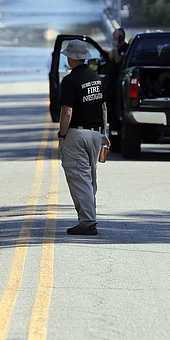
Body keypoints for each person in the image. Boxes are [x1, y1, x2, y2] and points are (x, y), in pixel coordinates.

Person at [56, 39, 109, 236]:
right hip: (95, 134)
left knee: (79, 178)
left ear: (71, 58)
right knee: (89, 179)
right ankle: (88, 217)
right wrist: (103, 133)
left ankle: (87, 222)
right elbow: (103, 107)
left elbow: (67, 112)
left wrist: (62, 134)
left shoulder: (70, 80)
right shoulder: (96, 78)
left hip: (76, 134)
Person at [104, 28, 128, 137]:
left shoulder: (125, 48)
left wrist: (115, 48)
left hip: (118, 82)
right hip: (111, 82)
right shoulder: (116, 48)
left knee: (116, 106)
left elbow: (118, 59)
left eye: (116, 36)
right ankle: (112, 125)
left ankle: (117, 127)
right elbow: (110, 58)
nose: (114, 38)